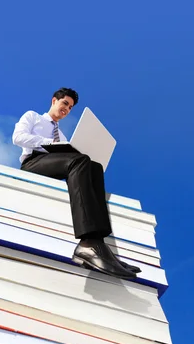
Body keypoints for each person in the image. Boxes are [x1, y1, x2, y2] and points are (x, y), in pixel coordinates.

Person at [12, 87, 141, 280]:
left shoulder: (63, 137)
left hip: (58, 164)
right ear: (54, 100)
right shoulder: (33, 117)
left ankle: (100, 245)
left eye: (71, 107)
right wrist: (49, 143)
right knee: (79, 161)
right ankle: (87, 242)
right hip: (33, 163)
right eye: (65, 103)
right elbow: (18, 137)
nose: (67, 109)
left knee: (94, 166)